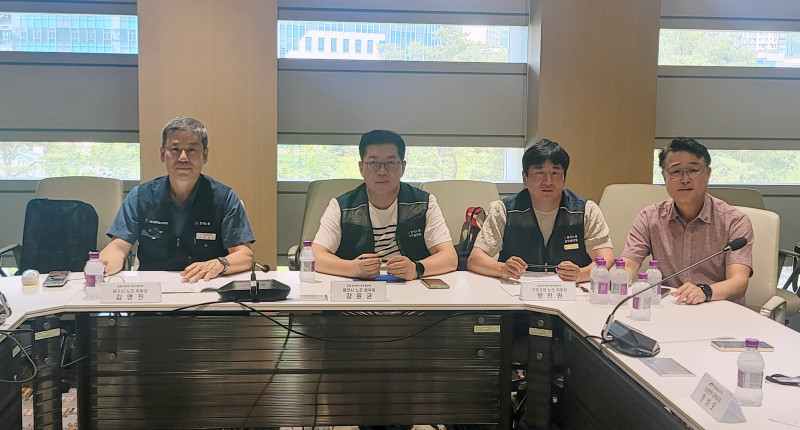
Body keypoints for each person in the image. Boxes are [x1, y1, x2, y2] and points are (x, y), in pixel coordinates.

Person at [100, 117, 255, 283]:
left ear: (205, 155)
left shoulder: (224, 198)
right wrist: (101, 267)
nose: (183, 157)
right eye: (175, 149)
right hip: (153, 291)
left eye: (191, 150)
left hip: (206, 288)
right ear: (162, 154)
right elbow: (118, 248)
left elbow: (245, 256)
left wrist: (220, 264)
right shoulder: (140, 197)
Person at [621, 137, 753, 305]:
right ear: (664, 177)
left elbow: (739, 282)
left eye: (693, 170)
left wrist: (705, 291)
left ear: (708, 174)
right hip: (670, 308)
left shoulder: (735, 221)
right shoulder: (649, 218)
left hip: (717, 308)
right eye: (676, 172)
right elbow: (628, 264)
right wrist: (620, 276)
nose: (685, 179)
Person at [312, 129, 457, 281]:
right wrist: (352, 268)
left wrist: (416, 269)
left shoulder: (423, 204)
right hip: (359, 287)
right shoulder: (342, 207)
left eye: (390, 163)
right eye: (373, 163)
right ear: (361, 168)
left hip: (411, 285)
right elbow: (315, 255)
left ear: (403, 167)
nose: (382, 171)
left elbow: (449, 257)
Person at [467, 139, 614, 282]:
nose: (548, 181)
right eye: (539, 173)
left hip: (571, 292)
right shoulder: (503, 210)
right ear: (525, 178)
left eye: (555, 173)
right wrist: (502, 269)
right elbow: (475, 259)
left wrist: (581, 274)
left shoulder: (586, 210)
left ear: (564, 178)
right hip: (517, 291)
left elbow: (606, 259)